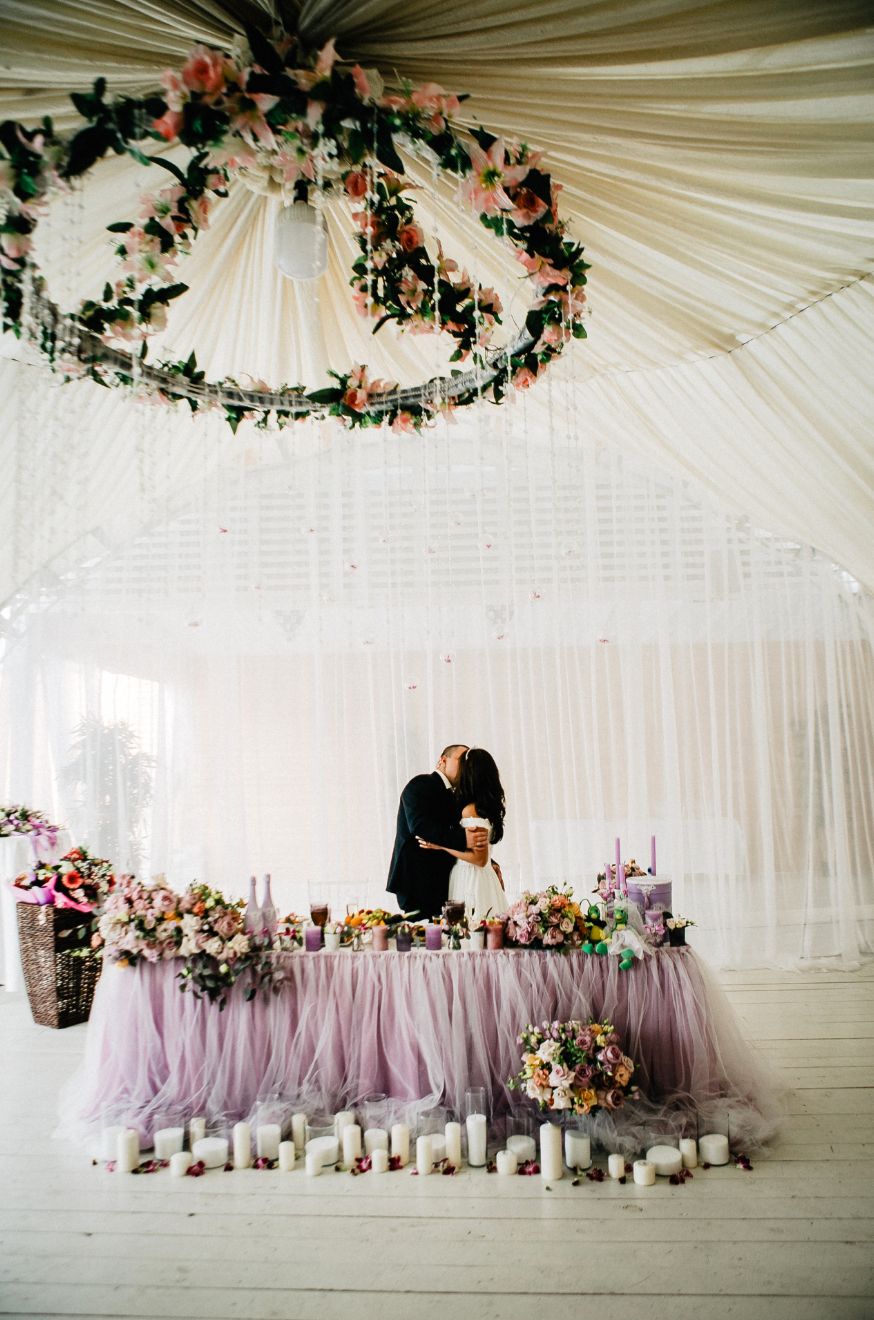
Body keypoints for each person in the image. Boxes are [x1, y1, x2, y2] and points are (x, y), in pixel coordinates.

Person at [386, 745, 489, 917]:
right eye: (461, 760)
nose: (466, 767)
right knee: (424, 939)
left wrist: (489, 861)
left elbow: (460, 830)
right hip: (417, 883)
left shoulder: (459, 796)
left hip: (443, 883)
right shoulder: (420, 785)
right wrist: (464, 839)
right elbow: (420, 827)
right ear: (442, 760)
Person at [416, 747, 506, 922]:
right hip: (480, 877)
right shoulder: (485, 806)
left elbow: (479, 859)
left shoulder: (471, 810)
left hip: (471, 879)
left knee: (471, 931)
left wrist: (441, 845)